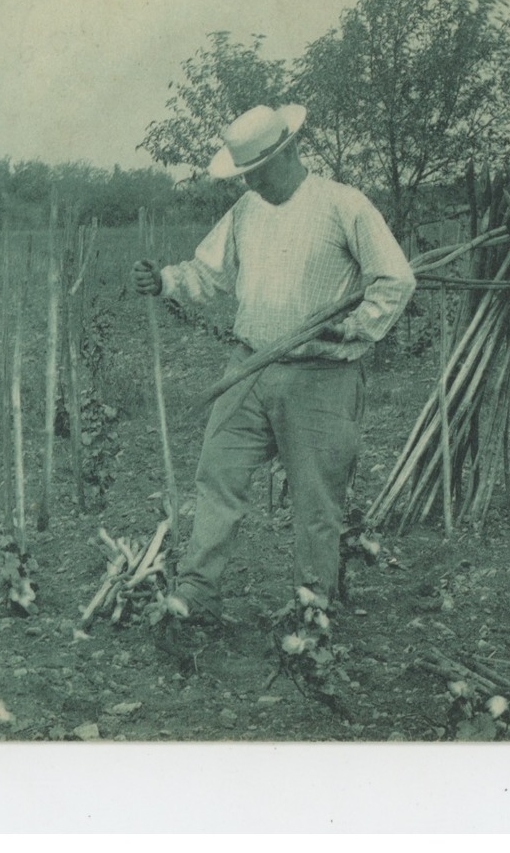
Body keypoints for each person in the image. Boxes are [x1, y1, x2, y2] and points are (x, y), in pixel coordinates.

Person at [132, 104, 415, 644]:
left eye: (257, 170)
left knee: (316, 499)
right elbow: (206, 271)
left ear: (286, 154)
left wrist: (351, 329)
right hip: (248, 367)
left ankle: (311, 606)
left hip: (320, 378)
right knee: (218, 476)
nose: (252, 181)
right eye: (245, 173)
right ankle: (196, 596)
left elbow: (395, 280)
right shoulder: (245, 211)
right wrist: (165, 279)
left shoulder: (343, 205)